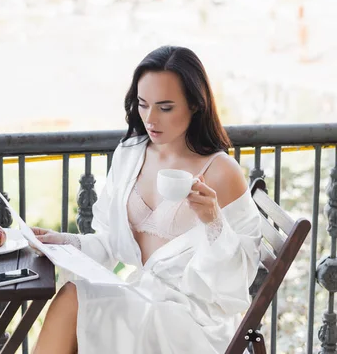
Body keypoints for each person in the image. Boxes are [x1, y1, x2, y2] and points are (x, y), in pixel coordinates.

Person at [32, 45, 261, 354]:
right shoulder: (130, 155)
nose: (151, 119)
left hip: (192, 318)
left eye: (165, 107)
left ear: (195, 104)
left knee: (73, 299)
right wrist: (61, 242)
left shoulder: (222, 173)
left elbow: (236, 283)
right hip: (141, 295)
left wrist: (213, 221)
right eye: (143, 104)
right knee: (73, 296)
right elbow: (111, 243)